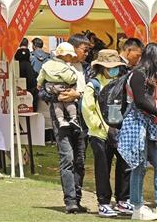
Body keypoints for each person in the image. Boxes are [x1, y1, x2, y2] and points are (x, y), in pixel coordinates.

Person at [81, 49, 133, 217]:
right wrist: (100, 126)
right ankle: (103, 202)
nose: (113, 70)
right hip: (100, 134)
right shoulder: (93, 84)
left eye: (116, 66)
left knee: (125, 166)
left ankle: (123, 200)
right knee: (103, 168)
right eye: (110, 67)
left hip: (120, 132)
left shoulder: (121, 82)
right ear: (101, 67)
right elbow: (87, 110)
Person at [39, 42, 88, 214]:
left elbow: (95, 93)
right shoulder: (52, 66)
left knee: (80, 160)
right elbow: (41, 91)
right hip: (60, 119)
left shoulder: (88, 69)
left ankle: (77, 198)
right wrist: (56, 94)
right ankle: (70, 201)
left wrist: (77, 95)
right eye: (84, 50)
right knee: (67, 157)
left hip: (82, 119)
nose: (86, 53)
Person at [119, 43, 157, 221]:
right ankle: (137, 207)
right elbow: (140, 101)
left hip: (149, 125)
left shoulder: (147, 76)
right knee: (139, 167)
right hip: (136, 124)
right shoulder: (137, 75)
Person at [38, 42, 81, 129]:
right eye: (70, 56)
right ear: (65, 55)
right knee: (68, 102)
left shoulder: (47, 64)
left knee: (57, 104)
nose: (72, 57)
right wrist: (74, 78)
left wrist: (39, 83)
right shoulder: (63, 67)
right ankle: (73, 117)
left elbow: (41, 75)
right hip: (62, 87)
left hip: (50, 87)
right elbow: (70, 79)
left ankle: (61, 120)